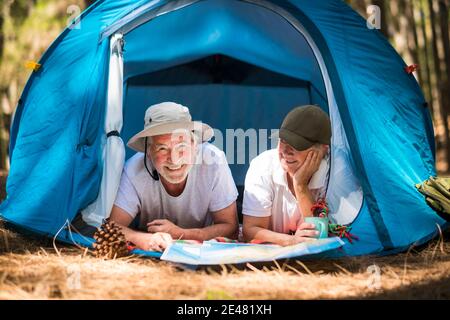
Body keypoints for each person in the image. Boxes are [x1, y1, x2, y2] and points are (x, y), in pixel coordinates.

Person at [110, 102, 239, 252]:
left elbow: (231, 228)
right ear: (149, 151)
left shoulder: (214, 161)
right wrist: (144, 239)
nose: (174, 159)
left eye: (181, 146)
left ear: (194, 145)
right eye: (162, 148)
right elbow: (112, 226)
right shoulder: (133, 169)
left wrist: (181, 234)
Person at [242, 105, 331, 246]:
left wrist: (300, 185)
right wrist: (291, 241)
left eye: (297, 144)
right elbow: (250, 230)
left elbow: (319, 238)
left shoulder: (332, 174)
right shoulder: (263, 165)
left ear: (322, 151)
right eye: (283, 140)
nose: (285, 151)